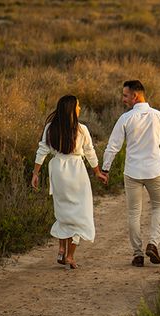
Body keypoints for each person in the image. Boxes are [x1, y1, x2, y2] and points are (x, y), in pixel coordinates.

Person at [102, 80, 160, 267]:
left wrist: (105, 168)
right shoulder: (159, 116)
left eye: (125, 95)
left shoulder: (126, 119)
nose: (123, 99)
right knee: (159, 207)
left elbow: (113, 146)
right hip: (154, 171)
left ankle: (137, 254)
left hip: (133, 172)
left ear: (135, 95)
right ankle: (153, 243)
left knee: (134, 213)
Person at [31, 95, 108, 269]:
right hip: (77, 171)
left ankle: (60, 249)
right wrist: (97, 172)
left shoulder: (50, 128)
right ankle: (70, 256)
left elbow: (42, 149)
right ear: (72, 110)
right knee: (80, 213)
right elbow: (90, 152)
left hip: (57, 170)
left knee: (63, 210)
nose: (80, 109)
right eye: (78, 106)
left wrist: (35, 173)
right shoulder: (82, 130)